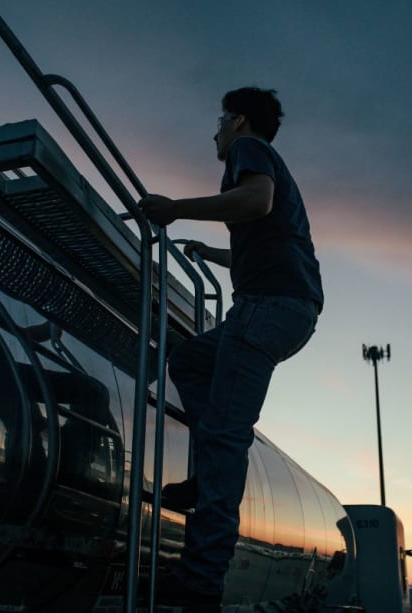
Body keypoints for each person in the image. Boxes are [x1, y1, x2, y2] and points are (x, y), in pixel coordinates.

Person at [139, 86, 323, 607]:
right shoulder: (268, 166)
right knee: (190, 360)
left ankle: (200, 580)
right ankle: (207, 476)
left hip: (266, 307)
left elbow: (254, 200)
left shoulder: (251, 150)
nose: (215, 131)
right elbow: (265, 231)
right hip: (282, 307)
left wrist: (175, 209)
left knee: (225, 437)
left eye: (220, 120)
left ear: (239, 121)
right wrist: (215, 254)